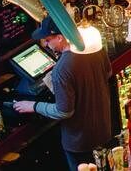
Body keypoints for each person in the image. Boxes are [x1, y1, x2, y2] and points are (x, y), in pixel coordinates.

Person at [13, 16, 112, 170]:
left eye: (47, 40)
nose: (45, 45)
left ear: (60, 38)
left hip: (80, 142)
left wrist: (33, 105)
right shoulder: (95, 47)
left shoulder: (61, 69)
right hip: (103, 130)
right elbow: (107, 73)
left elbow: (63, 111)